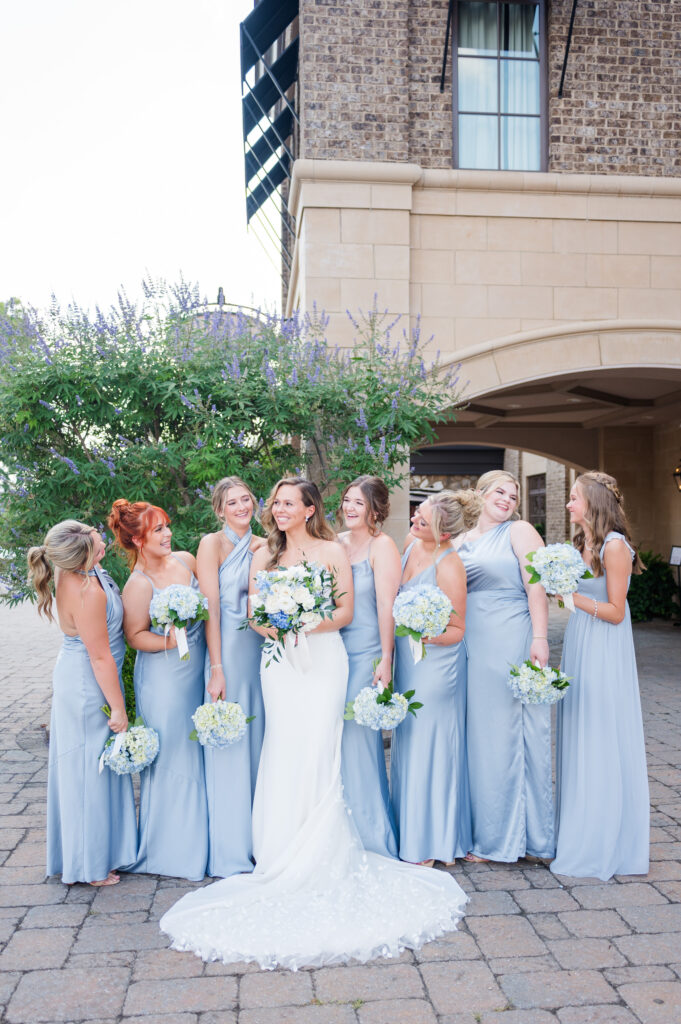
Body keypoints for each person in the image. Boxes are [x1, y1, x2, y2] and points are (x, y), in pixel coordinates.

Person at [160, 477, 467, 970]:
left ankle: (325, 845)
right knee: (283, 746)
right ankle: (279, 848)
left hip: (325, 661)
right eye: (275, 503)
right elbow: (255, 614)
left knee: (322, 747)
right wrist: (277, 624)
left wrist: (302, 621)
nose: (277, 509)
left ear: (308, 509)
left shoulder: (331, 551)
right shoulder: (264, 555)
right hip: (279, 664)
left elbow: (345, 612)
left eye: (287, 503)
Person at [551, 471, 649, 880]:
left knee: (600, 732)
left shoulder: (614, 546)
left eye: (574, 498)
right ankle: (579, 828)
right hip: (580, 643)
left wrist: (569, 598)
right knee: (578, 729)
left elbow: (615, 611)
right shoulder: (584, 544)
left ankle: (604, 840)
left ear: (593, 502)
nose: (569, 504)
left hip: (604, 649)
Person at [28, 520, 136, 887]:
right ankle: (89, 866)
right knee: (89, 773)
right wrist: (118, 709)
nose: (101, 539)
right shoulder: (87, 590)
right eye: (95, 540)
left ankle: (98, 851)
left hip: (83, 675)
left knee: (90, 769)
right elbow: (101, 658)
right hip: (88, 685)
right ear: (81, 558)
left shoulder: (79, 569)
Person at [455, 470, 554, 864]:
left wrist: (541, 638)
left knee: (505, 733)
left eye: (514, 495)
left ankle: (508, 839)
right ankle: (483, 829)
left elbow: (537, 587)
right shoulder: (460, 539)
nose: (508, 499)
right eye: (500, 492)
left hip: (509, 638)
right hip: (469, 645)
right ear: (479, 494)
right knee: (479, 738)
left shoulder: (520, 531)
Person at [109, 499, 208, 881]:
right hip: (165, 677)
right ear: (136, 540)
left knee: (197, 751)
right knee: (173, 754)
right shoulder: (138, 584)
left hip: (197, 667)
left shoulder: (185, 561)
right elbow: (134, 637)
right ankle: (172, 849)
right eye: (158, 531)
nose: (168, 535)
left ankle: (202, 839)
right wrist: (172, 640)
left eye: (167, 526)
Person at [391, 490, 479, 866]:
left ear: (443, 533)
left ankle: (434, 842)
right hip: (408, 663)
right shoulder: (410, 546)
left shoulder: (450, 564)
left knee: (432, 745)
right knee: (408, 741)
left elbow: (458, 629)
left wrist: (420, 631)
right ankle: (410, 832)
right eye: (416, 514)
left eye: (422, 520)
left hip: (436, 664)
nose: (413, 521)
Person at [197, 476, 265, 877]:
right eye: (232, 502)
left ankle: (260, 840)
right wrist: (216, 667)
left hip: (261, 651)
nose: (241, 507)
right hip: (227, 654)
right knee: (229, 744)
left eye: (246, 499)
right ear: (219, 510)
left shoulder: (266, 545)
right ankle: (230, 847)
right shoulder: (212, 544)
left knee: (259, 745)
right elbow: (212, 610)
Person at [337, 476, 400, 857]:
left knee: (358, 739)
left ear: (375, 509)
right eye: (346, 500)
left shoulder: (383, 546)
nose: (349, 508)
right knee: (333, 739)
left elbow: (385, 606)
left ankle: (369, 834)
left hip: (365, 653)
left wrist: (386, 660)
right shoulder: (335, 543)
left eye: (358, 503)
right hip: (332, 649)